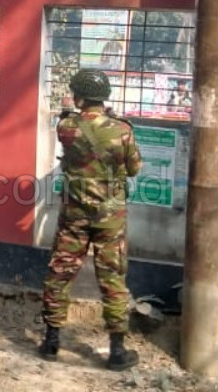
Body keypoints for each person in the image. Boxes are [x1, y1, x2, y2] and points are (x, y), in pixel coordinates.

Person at [39, 68, 142, 371]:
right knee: (112, 279)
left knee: (60, 272)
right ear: (105, 96)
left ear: (79, 96)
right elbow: (134, 168)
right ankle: (117, 351)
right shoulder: (122, 129)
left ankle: (51, 341)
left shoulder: (67, 127)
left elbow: (73, 126)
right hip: (110, 217)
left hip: (74, 215)